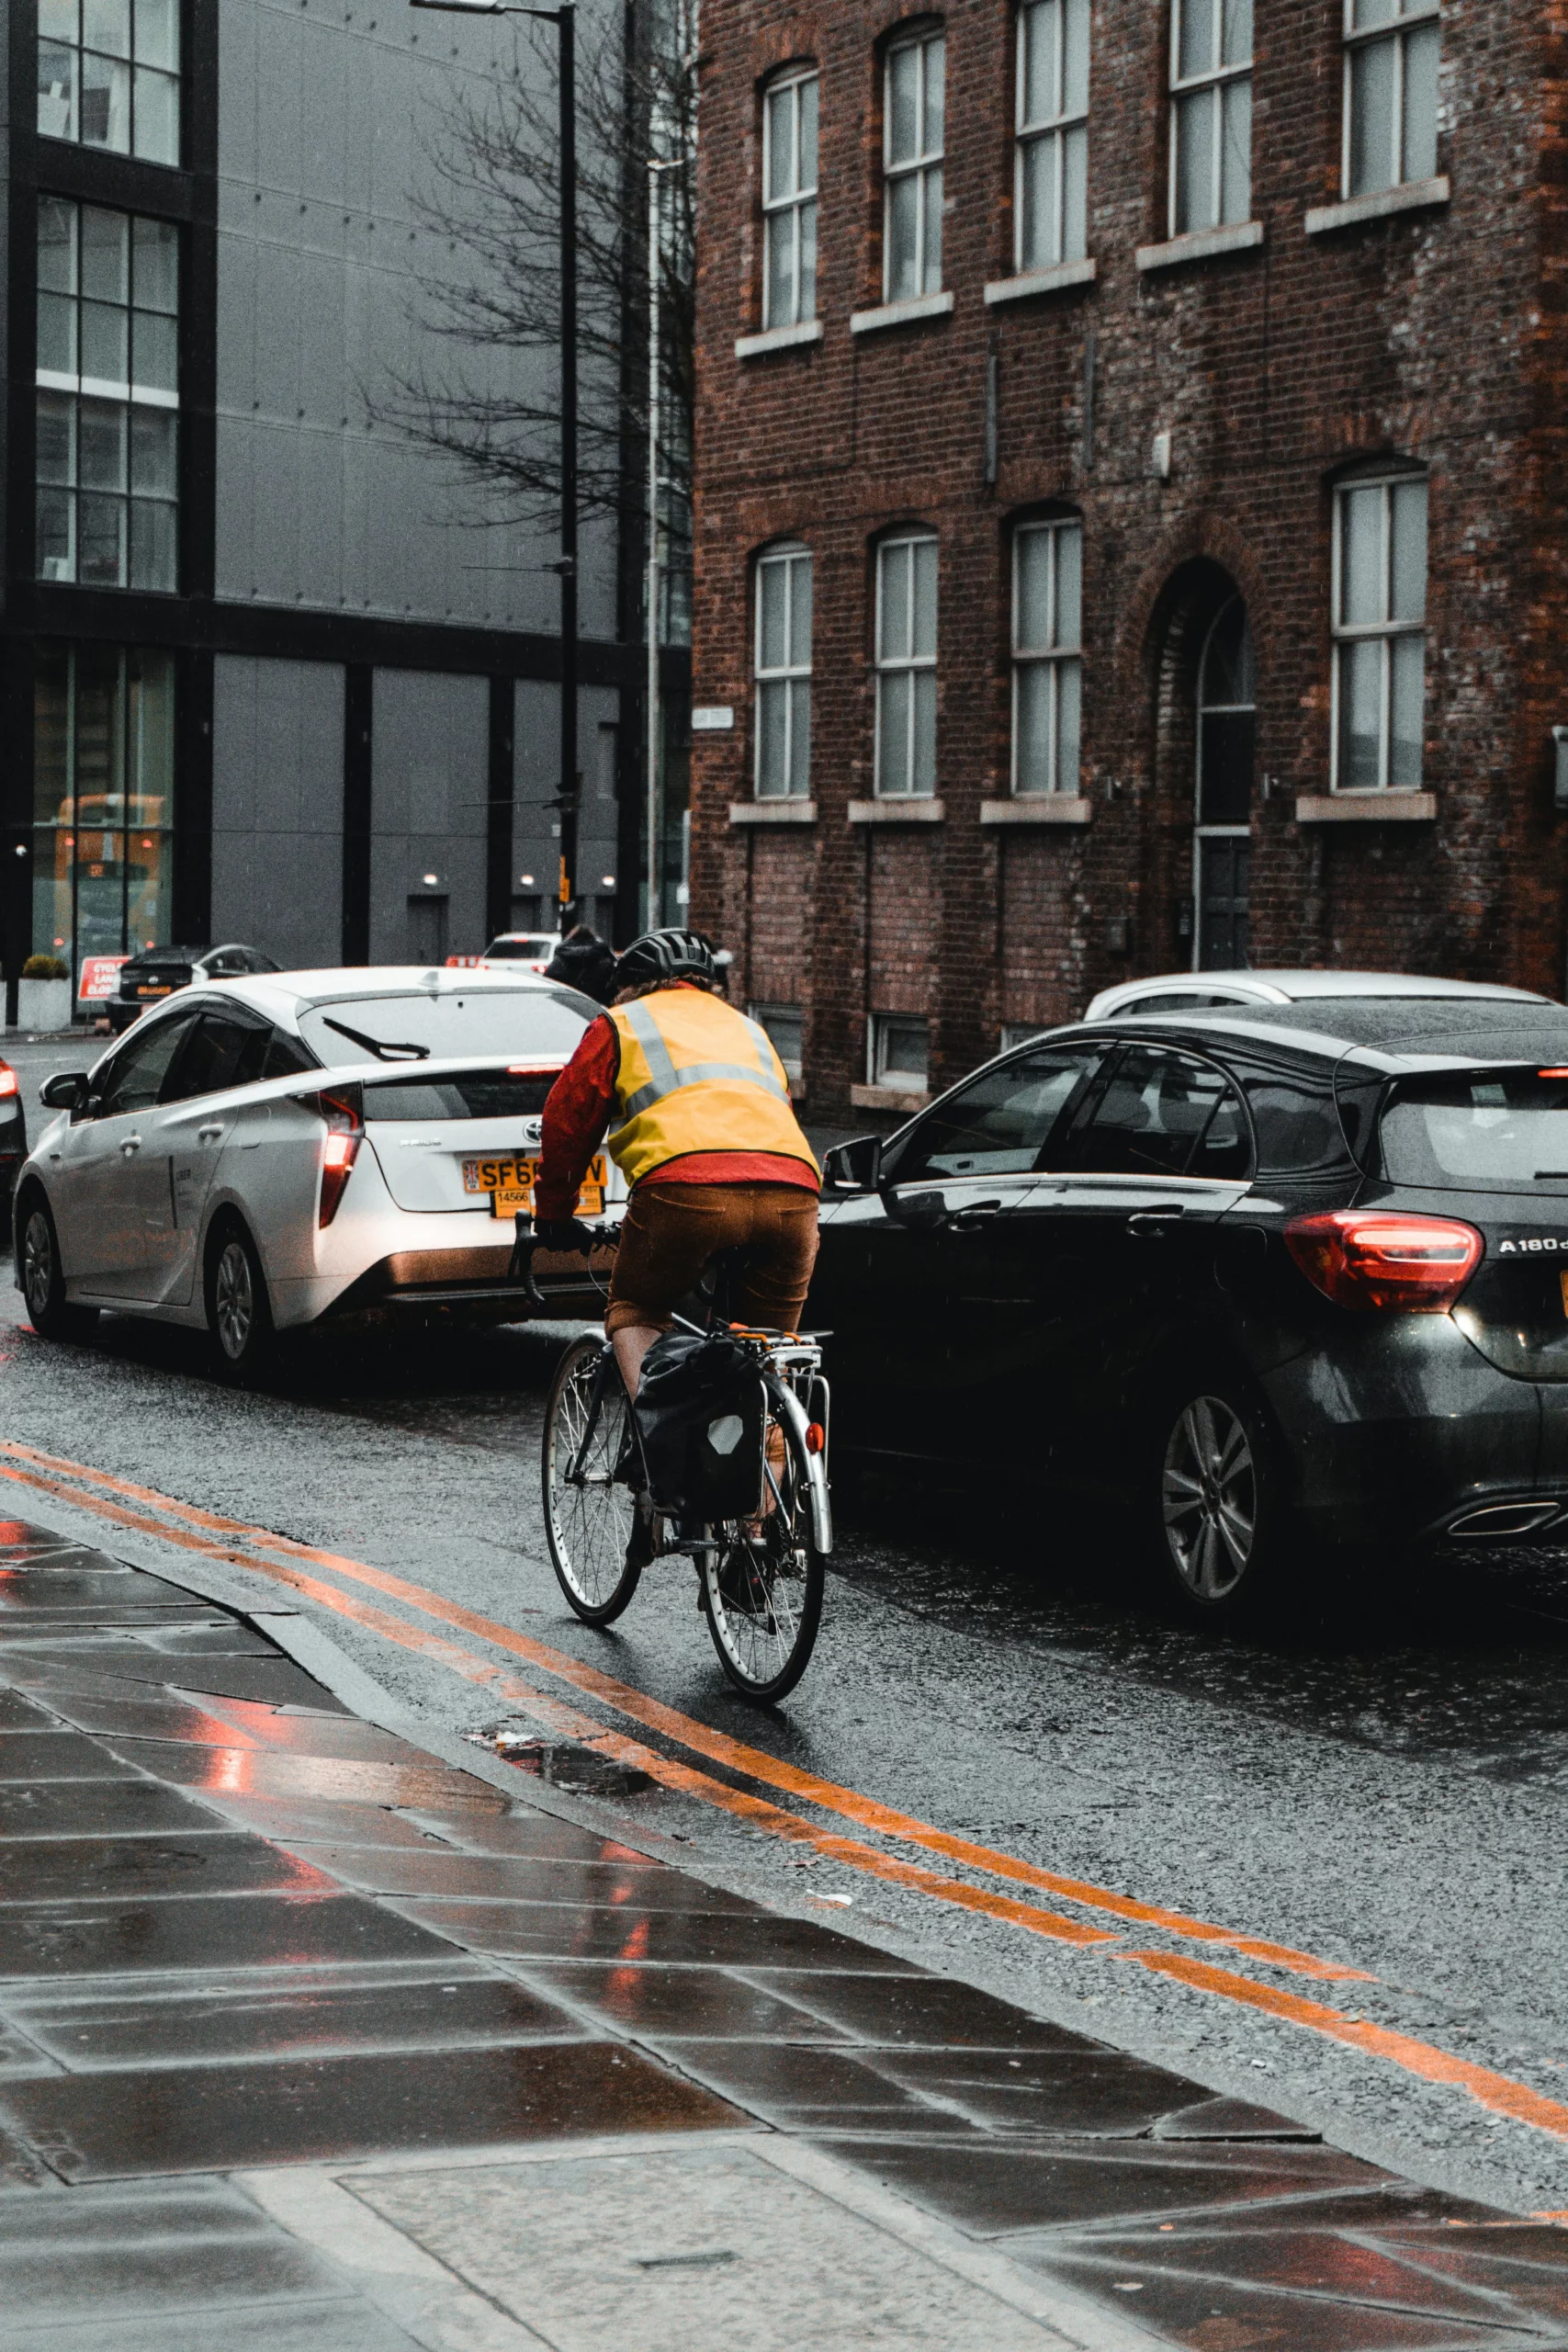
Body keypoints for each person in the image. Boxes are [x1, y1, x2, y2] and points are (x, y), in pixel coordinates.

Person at [533, 928, 820, 1406]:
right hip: (794, 1196)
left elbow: (566, 1126)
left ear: (630, 985)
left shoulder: (620, 1024)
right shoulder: (749, 1030)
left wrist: (555, 1216)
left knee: (637, 1309)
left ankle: (659, 1441)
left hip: (683, 1192)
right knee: (764, 1353)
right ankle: (773, 1467)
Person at [544, 923, 617, 1008]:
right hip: (596, 1008)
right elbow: (612, 989)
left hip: (567, 1007)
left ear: (571, 937)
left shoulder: (561, 960)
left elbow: (549, 983)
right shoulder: (604, 960)